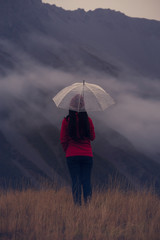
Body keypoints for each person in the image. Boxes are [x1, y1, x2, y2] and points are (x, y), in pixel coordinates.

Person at [60, 94, 95, 205]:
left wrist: (68, 151)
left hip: (72, 155)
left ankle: (77, 206)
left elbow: (63, 139)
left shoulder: (66, 121)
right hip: (87, 155)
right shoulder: (88, 120)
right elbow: (92, 137)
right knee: (86, 181)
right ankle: (88, 205)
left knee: (76, 181)